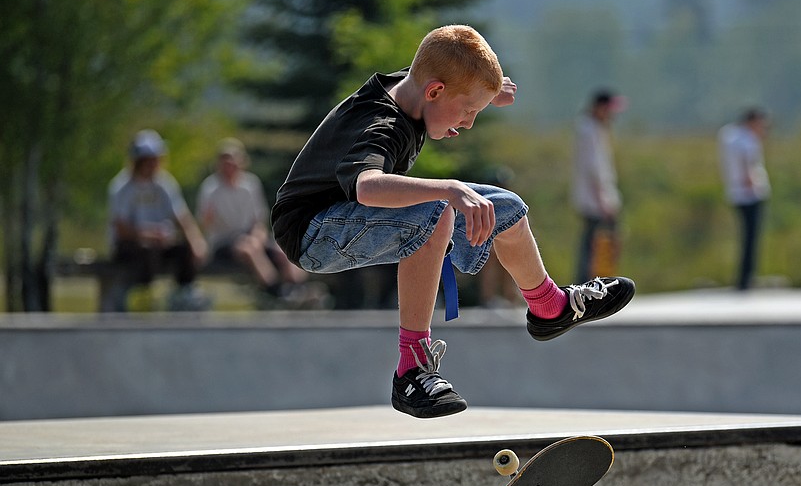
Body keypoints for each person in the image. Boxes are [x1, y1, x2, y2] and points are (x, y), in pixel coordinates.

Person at [271, 25, 635, 419]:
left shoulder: (416, 84)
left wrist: (487, 92)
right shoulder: (381, 125)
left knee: (505, 208)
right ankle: (411, 370)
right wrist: (449, 188)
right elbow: (367, 186)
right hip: (314, 232)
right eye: (468, 111)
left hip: (349, 220)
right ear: (434, 93)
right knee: (437, 209)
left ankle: (549, 307)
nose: (469, 123)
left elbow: (444, 64)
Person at [197, 138, 311, 304]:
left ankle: (298, 288)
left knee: (282, 250)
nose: (230, 168)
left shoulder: (250, 184)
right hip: (224, 241)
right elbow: (205, 223)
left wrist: (258, 237)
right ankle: (276, 291)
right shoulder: (210, 188)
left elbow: (259, 221)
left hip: (249, 237)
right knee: (249, 248)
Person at [107, 129, 209, 311]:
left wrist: (196, 241)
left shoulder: (165, 183)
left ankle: (184, 294)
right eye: (150, 159)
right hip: (130, 246)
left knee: (183, 248)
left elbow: (182, 217)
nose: (155, 164)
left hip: (159, 244)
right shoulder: (122, 187)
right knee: (147, 249)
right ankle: (142, 295)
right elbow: (121, 228)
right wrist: (147, 234)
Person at [573, 89, 625, 283]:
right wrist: (603, 200)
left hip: (598, 196)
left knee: (597, 242)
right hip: (595, 199)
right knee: (594, 243)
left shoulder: (595, 128)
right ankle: (588, 282)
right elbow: (593, 168)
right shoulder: (588, 129)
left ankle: (599, 279)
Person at [718, 108, 771, 291]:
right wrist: (751, 182)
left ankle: (744, 277)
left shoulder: (729, 136)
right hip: (750, 193)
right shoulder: (748, 140)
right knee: (751, 238)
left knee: (746, 237)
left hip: (735, 192)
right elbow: (747, 163)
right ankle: (746, 278)